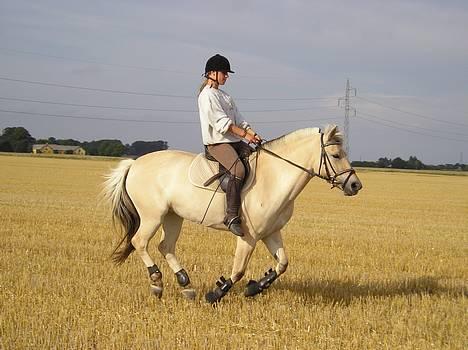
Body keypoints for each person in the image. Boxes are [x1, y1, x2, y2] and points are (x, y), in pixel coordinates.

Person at [198, 54, 262, 237]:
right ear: (211, 73)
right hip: (217, 143)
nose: (227, 76)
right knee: (238, 170)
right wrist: (245, 135)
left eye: (227, 73)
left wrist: (252, 133)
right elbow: (222, 123)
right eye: (224, 72)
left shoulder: (225, 96)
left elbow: (239, 119)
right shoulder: (207, 96)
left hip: (234, 141)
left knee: (260, 158)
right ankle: (231, 216)